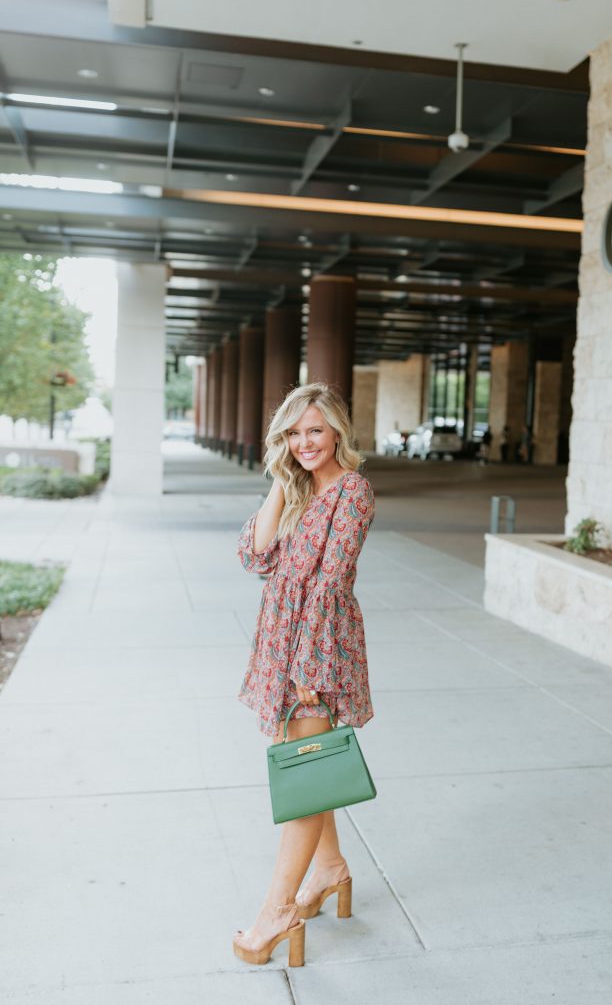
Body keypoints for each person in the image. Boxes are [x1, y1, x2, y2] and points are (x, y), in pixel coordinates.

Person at [232, 381, 376, 967]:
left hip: (316, 648)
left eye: (315, 430)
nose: (305, 443)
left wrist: (307, 670)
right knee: (306, 767)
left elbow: (329, 584)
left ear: (337, 431)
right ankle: (332, 869)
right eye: (293, 433)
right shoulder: (295, 489)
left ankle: (278, 910)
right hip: (282, 641)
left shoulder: (353, 491)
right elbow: (254, 556)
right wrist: (279, 479)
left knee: (304, 781)